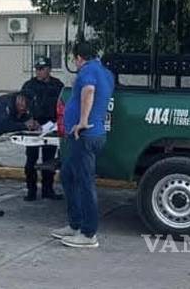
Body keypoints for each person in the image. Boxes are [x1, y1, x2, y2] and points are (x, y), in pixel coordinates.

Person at [51, 42, 114, 248]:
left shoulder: (87, 71)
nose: (75, 63)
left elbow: (88, 91)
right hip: (93, 135)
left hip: (85, 135)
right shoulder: (106, 73)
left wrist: (83, 121)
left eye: (74, 59)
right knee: (68, 175)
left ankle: (88, 234)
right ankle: (75, 224)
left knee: (85, 183)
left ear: (79, 58)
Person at [21, 56, 64, 201]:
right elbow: (21, 105)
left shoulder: (57, 85)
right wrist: (28, 120)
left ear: (49, 69)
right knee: (31, 160)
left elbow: (62, 104)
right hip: (34, 127)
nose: (39, 72)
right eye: (37, 69)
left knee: (49, 160)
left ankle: (48, 189)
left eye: (42, 69)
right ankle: (31, 191)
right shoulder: (29, 86)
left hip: (51, 126)